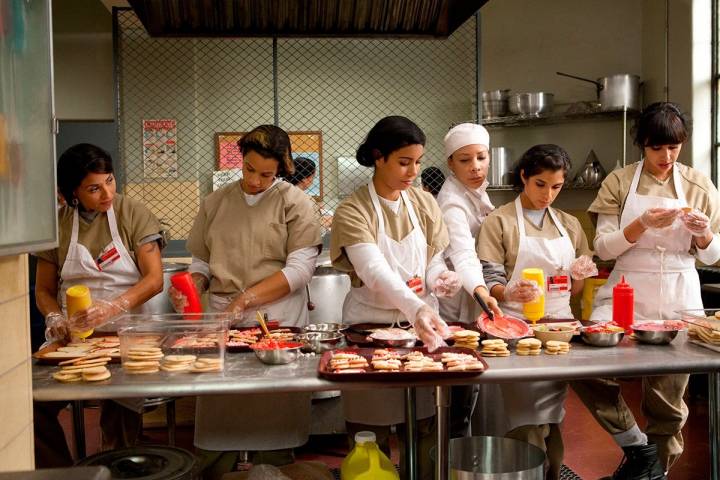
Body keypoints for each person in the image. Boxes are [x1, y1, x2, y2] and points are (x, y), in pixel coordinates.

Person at [571, 102, 720, 480]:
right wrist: (639, 224)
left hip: (679, 292)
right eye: (657, 148)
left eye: (674, 147)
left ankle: (654, 473)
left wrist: (703, 232)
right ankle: (637, 445)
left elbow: (714, 256)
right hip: (626, 288)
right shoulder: (619, 182)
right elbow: (603, 248)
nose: (666, 157)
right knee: (585, 368)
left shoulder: (700, 184)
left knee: (667, 403)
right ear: (642, 145)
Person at [176, 125, 322, 479]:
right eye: (249, 170)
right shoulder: (216, 202)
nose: (256, 180)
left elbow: (301, 270)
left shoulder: (296, 203)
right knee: (221, 403)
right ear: (240, 162)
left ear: (282, 168)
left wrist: (244, 300)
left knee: (272, 408)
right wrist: (193, 285)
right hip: (223, 317)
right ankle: (216, 469)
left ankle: (277, 467)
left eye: (266, 174)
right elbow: (202, 262)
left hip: (276, 317)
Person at [330, 116, 460, 480]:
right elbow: (373, 272)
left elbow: (432, 260)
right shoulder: (354, 209)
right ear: (378, 157)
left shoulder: (423, 203)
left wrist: (441, 279)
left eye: (418, 162)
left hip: (421, 331)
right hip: (367, 330)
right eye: (404, 162)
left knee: (421, 424)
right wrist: (416, 306)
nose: (413, 172)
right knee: (368, 431)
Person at [33, 143, 165, 466]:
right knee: (30, 405)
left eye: (110, 181)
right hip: (73, 339)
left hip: (126, 336)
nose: (107, 193)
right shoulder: (59, 224)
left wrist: (114, 307)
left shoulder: (132, 213)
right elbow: (43, 289)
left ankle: (116, 468)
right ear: (72, 193)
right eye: (94, 188)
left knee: (119, 414)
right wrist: (54, 317)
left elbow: (154, 280)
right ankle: (63, 472)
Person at [477, 144, 596, 480]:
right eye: (541, 184)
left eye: (556, 187)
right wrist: (507, 291)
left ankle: (553, 473)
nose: (548, 195)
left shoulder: (569, 225)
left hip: (559, 331)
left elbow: (573, 289)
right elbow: (490, 280)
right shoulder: (499, 222)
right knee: (524, 416)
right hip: (514, 332)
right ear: (524, 177)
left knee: (552, 415)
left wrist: (579, 276)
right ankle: (525, 471)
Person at [435, 123, 502, 438]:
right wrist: (481, 290)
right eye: (464, 160)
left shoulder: (476, 192)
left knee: (470, 387)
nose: (475, 167)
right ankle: (451, 457)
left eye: (481, 157)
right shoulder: (452, 201)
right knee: (458, 389)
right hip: (457, 302)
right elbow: (463, 254)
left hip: (474, 297)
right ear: (450, 163)